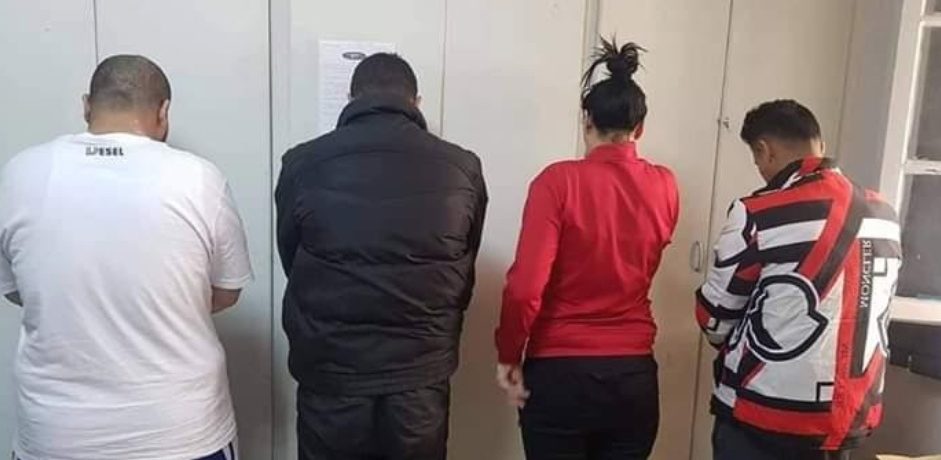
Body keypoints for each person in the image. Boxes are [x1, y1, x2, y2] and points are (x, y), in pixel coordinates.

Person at [0, 55, 252, 460]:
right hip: (181, 432)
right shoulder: (201, 178)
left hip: (56, 435)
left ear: (86, 105)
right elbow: (226, 291)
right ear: (164, 112)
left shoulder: (19, 174)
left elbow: (17, 290)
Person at [276, 53, 487, 460]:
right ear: (416, 102)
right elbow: (465, 261)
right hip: (420, 372)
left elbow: (292, 259)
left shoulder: (302, 164)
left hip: (332, 370)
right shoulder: (462, 168)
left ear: (350, 97)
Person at [495, 39, 679, 460]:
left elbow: (525, 289)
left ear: (586, 120)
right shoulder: (665, 185)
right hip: (633, 375)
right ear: (640, 128)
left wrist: (509, 354)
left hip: (559, 373)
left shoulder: (557, 182)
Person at [695, 100, 902, 460]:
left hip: (765, 413)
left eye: (757, 159)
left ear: (765, 150)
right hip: (845, 417)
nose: (760, 169)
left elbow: (714, 320)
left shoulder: (757, 213)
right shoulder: (884, 213)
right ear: (819, 144)